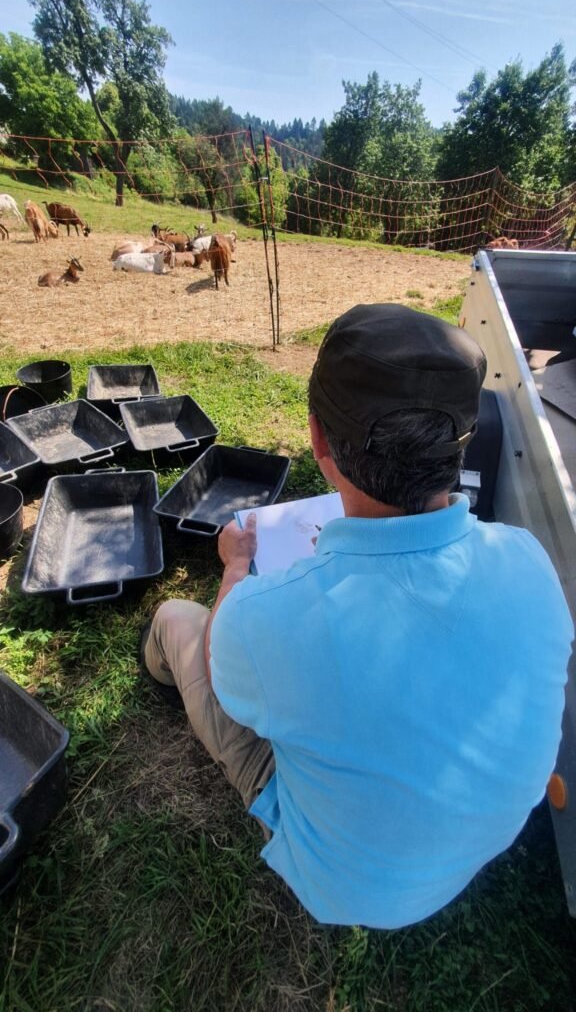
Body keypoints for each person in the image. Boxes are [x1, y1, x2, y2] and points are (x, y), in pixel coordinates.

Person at [142, 303, 574, 929]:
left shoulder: (269, 619)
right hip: (471, 852)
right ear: (461, 443)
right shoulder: (530, 560)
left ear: (318, 437)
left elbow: (223, 668)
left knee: (180, 620)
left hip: (345, 887)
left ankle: (154, 664)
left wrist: (235, 568)